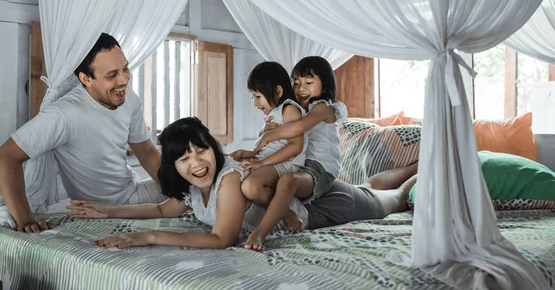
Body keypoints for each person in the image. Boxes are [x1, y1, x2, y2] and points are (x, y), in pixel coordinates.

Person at [66, 117, 417, 250]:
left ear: (212, 149)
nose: (196, 162)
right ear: (174, 164)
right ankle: (413, 164)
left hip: (322, 208)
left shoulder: (229, 179)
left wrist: (148, 236)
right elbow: (163, 208)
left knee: (395, 199)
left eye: (201, 150)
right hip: (322, 195)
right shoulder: (191, 187)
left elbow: (221, 239)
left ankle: (428, 166)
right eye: (184, 157)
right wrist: (107, 210)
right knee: (371, 183)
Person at [0, 33, 165, 233]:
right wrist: (25, 220)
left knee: (195, 186)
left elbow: (147, 153)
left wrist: (178, 188)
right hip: (98, 209)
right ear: (86, 78)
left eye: (125, 68)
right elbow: (4, 158)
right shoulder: (65, 114)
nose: (123, 80)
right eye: (111, 75)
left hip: (134, 194)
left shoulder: (128, 98)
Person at [246, 56, 348, 250]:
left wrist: (270, 136)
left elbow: (299, 128)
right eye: (297, 82)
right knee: (259, 182)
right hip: (301, 164)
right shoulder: (297, 108)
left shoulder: (323, 108)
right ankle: (288, 214)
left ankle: (260, 232)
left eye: (308, 83)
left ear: (324, 84)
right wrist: (266, 132)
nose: (301, 88)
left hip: (321, 168)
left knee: (287, 181)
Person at [229, 62, 308, 229]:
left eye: (258, 97)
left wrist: (260, 163)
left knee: (251, 187)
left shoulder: (290, 109)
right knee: (230, 168)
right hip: (267, 161)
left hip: (284, 164)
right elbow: (270, 142)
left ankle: (288, 214)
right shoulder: (275, 113)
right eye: (253, 98)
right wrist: (251, 152)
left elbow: (296, 146)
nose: (255, 104)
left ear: (278, 91)